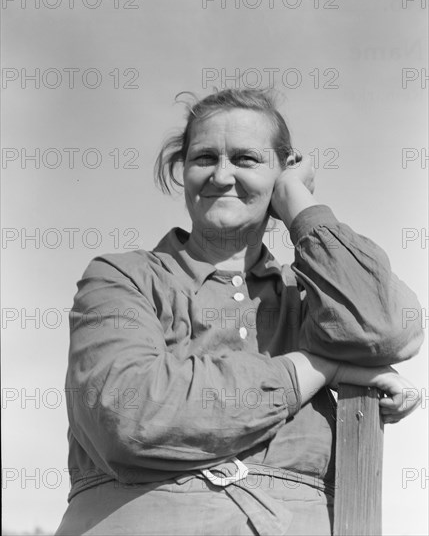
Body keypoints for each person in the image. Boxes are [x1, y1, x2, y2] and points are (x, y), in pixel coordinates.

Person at [56, 88, 423, 536]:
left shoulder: (312, 298)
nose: (222, 175)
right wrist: (319, 366)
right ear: (182, 170)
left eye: (246, 159)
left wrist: (298, 205)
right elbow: (133, 416)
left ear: (282, 172)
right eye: (204, 157)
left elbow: (390, 330)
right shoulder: (123, 278)